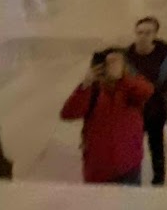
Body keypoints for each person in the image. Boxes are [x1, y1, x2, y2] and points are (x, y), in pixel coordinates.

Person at [59, 48, 153, 185]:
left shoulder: (130, 86)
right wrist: (86, 84)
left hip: (129, 167)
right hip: (98, 171)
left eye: (116, 62)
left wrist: (123, 78)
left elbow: (147, 92)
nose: (111, 66)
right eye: (108, 63)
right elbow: (68, 113)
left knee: (129, 205)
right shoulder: (92, 90)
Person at [125, 17, 167, 187]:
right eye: (140, 32)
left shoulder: (166, 56)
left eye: (148, 33)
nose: (143, 36)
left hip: (157, 110)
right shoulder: (126, 57)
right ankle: (133, 178)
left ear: (155, 34)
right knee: (132, 146)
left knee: (156, 146)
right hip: (134, 111)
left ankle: (158, 180)